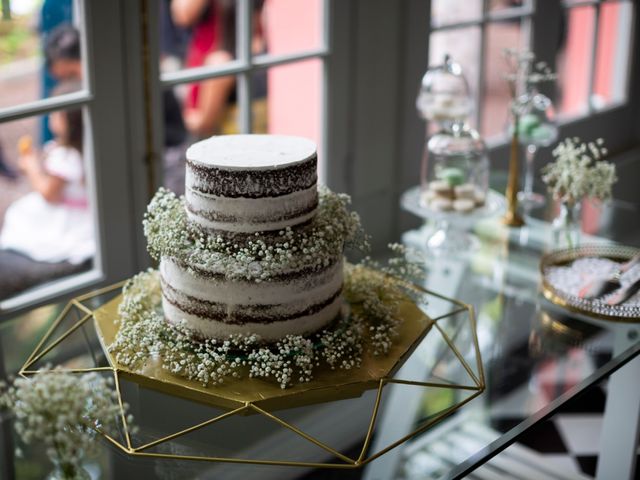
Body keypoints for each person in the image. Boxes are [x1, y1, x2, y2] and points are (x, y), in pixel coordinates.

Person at [0, 83, 94, 300]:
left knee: (21, 216)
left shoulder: (66, 156)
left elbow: (49, 194)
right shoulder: (84, 148)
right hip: (82, 207)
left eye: (55, 115)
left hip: (70, 218)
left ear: (70, 122)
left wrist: (31, 166)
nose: (50, 119)